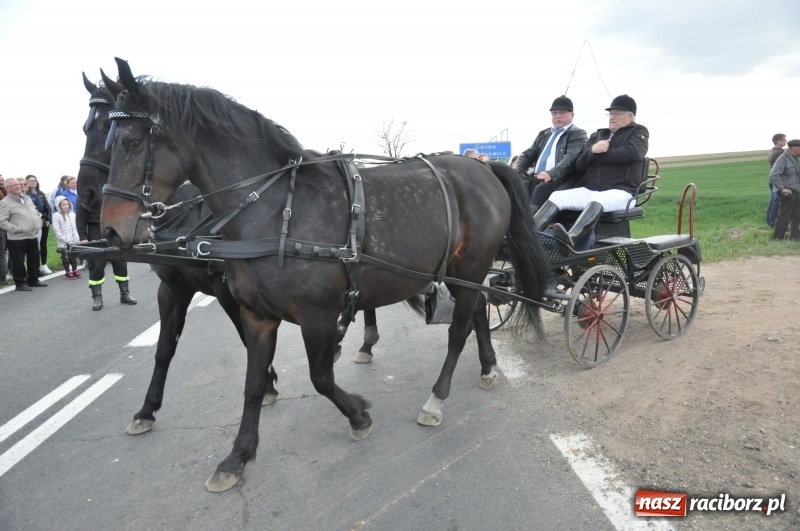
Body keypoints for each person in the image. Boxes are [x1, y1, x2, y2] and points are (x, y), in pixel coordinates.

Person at [533, 94, 649, 247]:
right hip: (592, 189)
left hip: (622, 191)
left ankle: (570, 238)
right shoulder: (598, 135)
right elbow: (580, 164)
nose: (612, 117)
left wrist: (601, 154)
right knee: (557, 196)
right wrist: (592, 151)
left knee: (599, 199)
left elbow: (633, 153)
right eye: (611, 113)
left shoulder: (638, 132)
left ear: (630, 117)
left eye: (617, 114)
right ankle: (530, 234)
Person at [512, 96, 588, 210]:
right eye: (554, 113)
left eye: (562, 112)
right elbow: (528, 153)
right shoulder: (544, 134)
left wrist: (551, 174)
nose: (557, 116)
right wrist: (516, 167)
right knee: (517, 188)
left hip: (560, 179)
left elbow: (571, 158)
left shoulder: (578, 134)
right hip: (537, 177)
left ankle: (533, 226)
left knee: (540, 190)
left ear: (572, 115)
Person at [76, 196, 137, 310]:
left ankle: (125, 294)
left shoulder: (113, 186)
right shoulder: (88, 192)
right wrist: (83, 236)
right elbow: (80, 217)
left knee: (121, 264)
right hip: (95, 230)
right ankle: (97, 297)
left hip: (116, 229)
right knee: (96, 266)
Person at [0, 177, 48, 291]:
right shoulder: (4, 203)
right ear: (8, 188)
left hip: (32, 234)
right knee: (18, 261)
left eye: (18, 184)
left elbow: (35, 211)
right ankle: (20, 282)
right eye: (14, 185)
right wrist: (15, 228)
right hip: (17, 237)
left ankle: (33, 279)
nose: (18, 187)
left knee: (34, 258)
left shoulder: (26, 198)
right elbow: (1, 221)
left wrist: (38, 220)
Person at [769, 138, 800, 241]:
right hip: (787, 193)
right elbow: (773, 175)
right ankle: (778, 238)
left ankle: (795, 237)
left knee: (797, 216)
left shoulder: (795, 158)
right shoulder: (783, 158)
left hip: (796, 192)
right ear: (794, 148)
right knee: (784, 216)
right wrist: (782, 188)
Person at [25, 175, 53, 274]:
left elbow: (48, 207)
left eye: (35, 180)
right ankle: (34, 268)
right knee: (34, 245)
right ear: (26, 182)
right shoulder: (26, 195)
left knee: (43, 244)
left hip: (44, 222)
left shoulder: (41, 194)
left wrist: (49, 219)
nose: (33, 182)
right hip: (33, 222)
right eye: (31, 181)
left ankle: (44, 265)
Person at [52, 196, 82, 279]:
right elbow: (56, 228)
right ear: (59, 205)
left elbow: (76, 226)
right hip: (64, 241)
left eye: (67, 204)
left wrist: (77, 237)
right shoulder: (56, 215)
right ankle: (68, 271)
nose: (65, 206)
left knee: (73, 256)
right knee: (65, 256)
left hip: (74, 239)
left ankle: (75, 269)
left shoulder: (72, 214)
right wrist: (62, 239)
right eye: (63, 205)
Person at [766, 134, 786, 228]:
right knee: (777, 201)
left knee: (773, 200)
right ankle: (772, 223)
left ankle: (769, 221)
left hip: (772, 179)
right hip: (777, 179)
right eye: (784, 140)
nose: (786, 141)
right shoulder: (780, 153)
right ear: (778, 141)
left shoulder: (772, 151)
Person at [0, 175, 8, 286]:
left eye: (2, 180)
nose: (1, 182)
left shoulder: (5, 193)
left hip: (5, 226)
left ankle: (3, 276)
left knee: (3, 252)